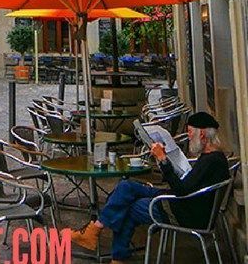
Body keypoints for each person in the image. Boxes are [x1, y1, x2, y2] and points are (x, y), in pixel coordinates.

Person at [69, 112, 230, 262]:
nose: (188, 137)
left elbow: (181, 190)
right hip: (182, 203)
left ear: (201, 134)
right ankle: (97, 232)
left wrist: (163, 161)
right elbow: (188, 185)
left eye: (189, 132)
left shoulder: (210, 162)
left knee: (129, 207)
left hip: (182, 212)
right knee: (126, 187)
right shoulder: (214, 158)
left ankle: (110, 248)